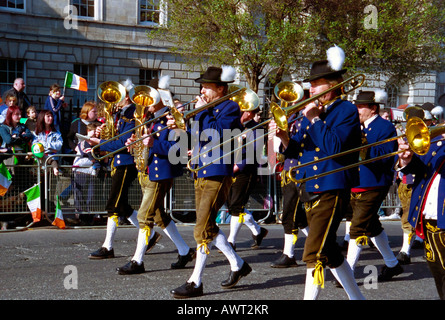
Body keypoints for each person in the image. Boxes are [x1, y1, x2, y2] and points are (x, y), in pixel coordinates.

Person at [270, 46, 365, 300]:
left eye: (316, 84)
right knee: (330, 251)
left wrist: (314, 119)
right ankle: (358, 298)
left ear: (333, 85)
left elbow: (334, 148)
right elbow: (296, 153)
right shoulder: (310, 112)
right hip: (309, 187)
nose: (310, 89)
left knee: (314, 253)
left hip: (331, 187)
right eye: (310, 84)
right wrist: (283, 138)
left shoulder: (345, 111)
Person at [170, 66, 252, 299]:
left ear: (220, 88)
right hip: (200, 170)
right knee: (206, 225)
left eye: (206, 86)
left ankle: (196, 281)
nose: (202, 90)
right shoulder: (208, 108)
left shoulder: (230, 107)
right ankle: (238, 265)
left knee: (201, 228)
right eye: (202, 86)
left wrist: (202, 111)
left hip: (217, 172)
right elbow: (198, 136)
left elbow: (217, 134)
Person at [116, 76, 194, 274]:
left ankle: (137, 261)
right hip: (146, 170)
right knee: (158, 215)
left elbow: (180, 149)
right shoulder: (149, 118)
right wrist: (133, 143)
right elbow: (143, 141)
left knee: (144, 216)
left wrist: (153, 144)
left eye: (149, 98)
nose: (145, 103)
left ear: (159, 98)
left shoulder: (171, 117)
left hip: (161, 173)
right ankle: (185, 251)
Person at [345, 90, 403, 281]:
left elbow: (385, 157)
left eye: (360, 106)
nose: (357, 110)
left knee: (357, 227)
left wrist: (363, 145)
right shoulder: (357, 126)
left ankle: (347, 272)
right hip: (356, 182)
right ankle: (392, 264)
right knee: (371, 226)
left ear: (373, 108)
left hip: (374, 183)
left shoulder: (385, 127)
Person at [87, 79, 140, 259]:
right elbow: (114, 136)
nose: (115, 101)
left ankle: (108, 246)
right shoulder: (120, 113)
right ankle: (148, 233)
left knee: (113, 204)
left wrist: (100, 142)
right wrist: (102, 132)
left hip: (126, 162)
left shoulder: (131, 113)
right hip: (117, 162)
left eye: (119, 97)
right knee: (123, 204)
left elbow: (122, 143)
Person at [397, 130, 445, 299]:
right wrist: (406, 159)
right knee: (438, 270)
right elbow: (421, 169)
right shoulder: (435, 141)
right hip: (430, 216)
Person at [226, 106, 268, 250]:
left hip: (245, 172)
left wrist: (237, 166)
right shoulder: (234, 126)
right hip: (229, 169)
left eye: (241, 111)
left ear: (249, 113)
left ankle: (231, 241)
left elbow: (253, 154)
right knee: (233, 205)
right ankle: (258, 230)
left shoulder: (257, 129)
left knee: (237, 205)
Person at [271, 113, 308, 268]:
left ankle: (289, 254)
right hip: (289, 169)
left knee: (289, 214)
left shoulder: (307, 118)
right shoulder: (291, 117)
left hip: (302, 170)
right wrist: (277, 135)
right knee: (297, 216)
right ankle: (322, 243)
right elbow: (278, 149)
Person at [71, 122, 104, 225]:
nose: (94, 137)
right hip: (81, 171)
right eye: (93, 134)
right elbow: (90, 154)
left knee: (91, 195)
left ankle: (90, 217)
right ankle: (82, 217)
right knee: (80, 195)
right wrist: (97, 162)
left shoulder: (97, 144)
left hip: (91, 173)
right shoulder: (84, 142)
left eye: (96, 135)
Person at [0, 106, 34, 191]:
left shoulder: (22, 126)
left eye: (20, 114)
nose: (19, 116)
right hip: (9, 157)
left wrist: (18, 136)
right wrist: (22, 137)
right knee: (11, 181)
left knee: (23, 180)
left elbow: (29, 136)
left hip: (22, 156)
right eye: (16, 114)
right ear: (10, 115)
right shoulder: (3, 127)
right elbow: (8, 140)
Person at [32, 110, 64, 176]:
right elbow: (34, 145)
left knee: (51, 183)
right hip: (40, 160)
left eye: (51, 116)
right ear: (42, 117)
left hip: (53, 159)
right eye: (48, 116)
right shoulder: (37, 132)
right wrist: (50, 149)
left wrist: (45, 145)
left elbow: (59, 145)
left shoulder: (56, 132)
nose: (51, 118)